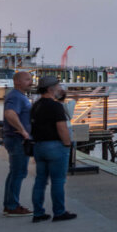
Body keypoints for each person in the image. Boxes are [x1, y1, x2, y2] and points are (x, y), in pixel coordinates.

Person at [30, 76, 76, 223]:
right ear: (50, 89)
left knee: (40, 181)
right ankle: (59, 212)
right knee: (58, 181)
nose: (59, 88)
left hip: (39, 146)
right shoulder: (55, 106)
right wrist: (67, 144)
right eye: (57, 86)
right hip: (55, 146)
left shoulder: (35, 106)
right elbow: (61, 127)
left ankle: (38, 213)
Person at [1, 70, 33, 217]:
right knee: (19, 172)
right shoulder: (15, 96)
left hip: (15, 139)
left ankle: (9, 204)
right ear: (17, 82)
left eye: (30, 79)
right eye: (27, 80)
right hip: (17, 140)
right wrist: (23, 131)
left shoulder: (18, 96)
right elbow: (9, 113)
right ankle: (12, 206)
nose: (31, 82)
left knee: (14, 172)